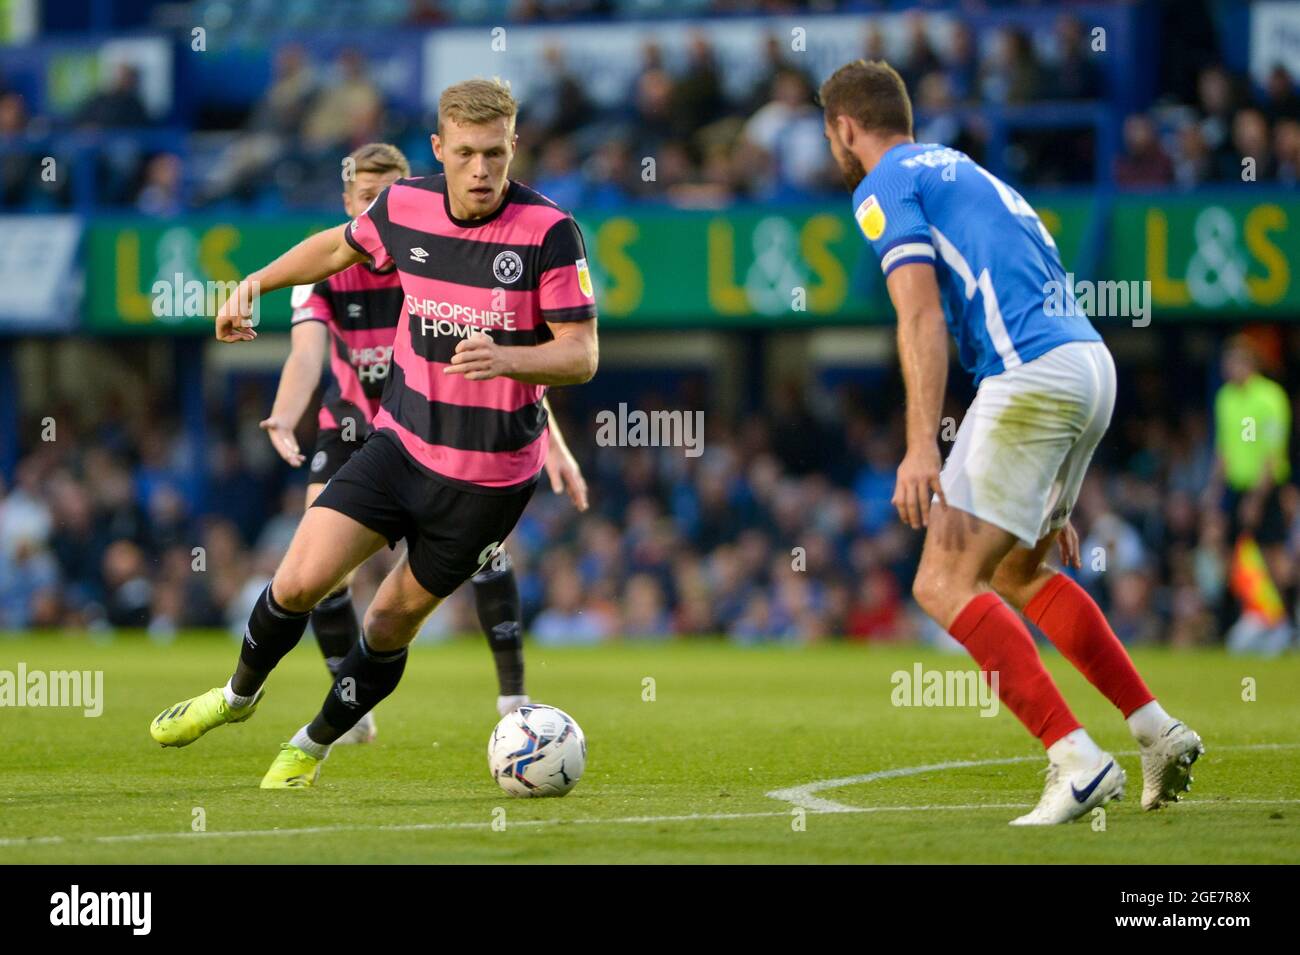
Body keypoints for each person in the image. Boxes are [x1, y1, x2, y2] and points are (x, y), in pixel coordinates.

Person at [150, 78, 599, 788]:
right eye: (465, 154)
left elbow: (581, 353)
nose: (481, 170)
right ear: (437, 149)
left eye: (494, 153)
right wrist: (252, 283)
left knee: (388, 622)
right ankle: (236, 696)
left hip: (487, 482)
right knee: (297, 580)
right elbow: (335, 249)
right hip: (398, 445)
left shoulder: (549, 232)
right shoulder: (405, 206)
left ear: (514, 145)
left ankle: (311, 742)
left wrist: (507, 356)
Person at [820, 59, 1203, 825]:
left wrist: (921, 446)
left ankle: (1076, 760)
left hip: (1030, 374)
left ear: (845, 129)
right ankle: (1155, 730)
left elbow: (920, 316)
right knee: (1020, 571)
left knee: (940, 581)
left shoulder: (882, 186)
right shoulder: (967, 171)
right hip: (1089, 366)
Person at [258, 142, 589, 745]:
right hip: (358, 428)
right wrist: (285, 414)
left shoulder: (432, 257)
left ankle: (512, 693)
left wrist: (556, 444)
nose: (377, 208)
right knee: (316, 569)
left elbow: (524, 365)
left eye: (385, 196)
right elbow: (306, 355)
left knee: (485, 557)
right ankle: (346, 698)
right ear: (351, 205)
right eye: (364, 199)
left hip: (451, 436)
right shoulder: (332, 273)